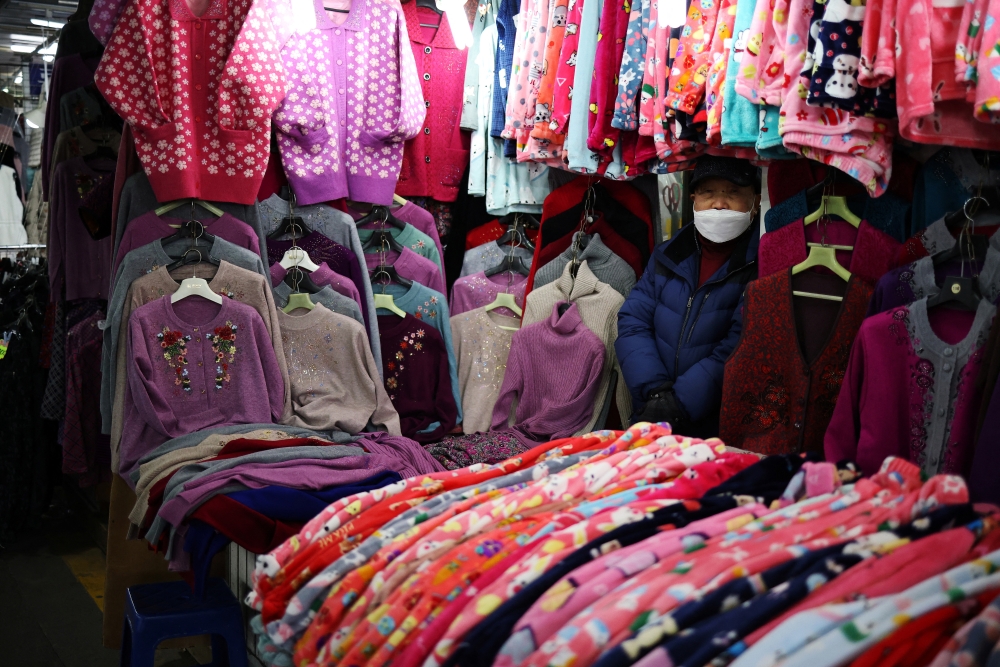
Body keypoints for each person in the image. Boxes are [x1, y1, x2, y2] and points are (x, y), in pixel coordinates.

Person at [616, 155, 761, 437]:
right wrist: (655, 392)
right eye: (709, 193)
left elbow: (740, 344)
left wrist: (679, 404)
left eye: (733, 193)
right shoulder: (667, 255)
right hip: (651, 414)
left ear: (755, 201)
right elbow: (633, 320)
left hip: (715, 427)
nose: (719, 204)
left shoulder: (762, 266)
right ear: (693, 197)